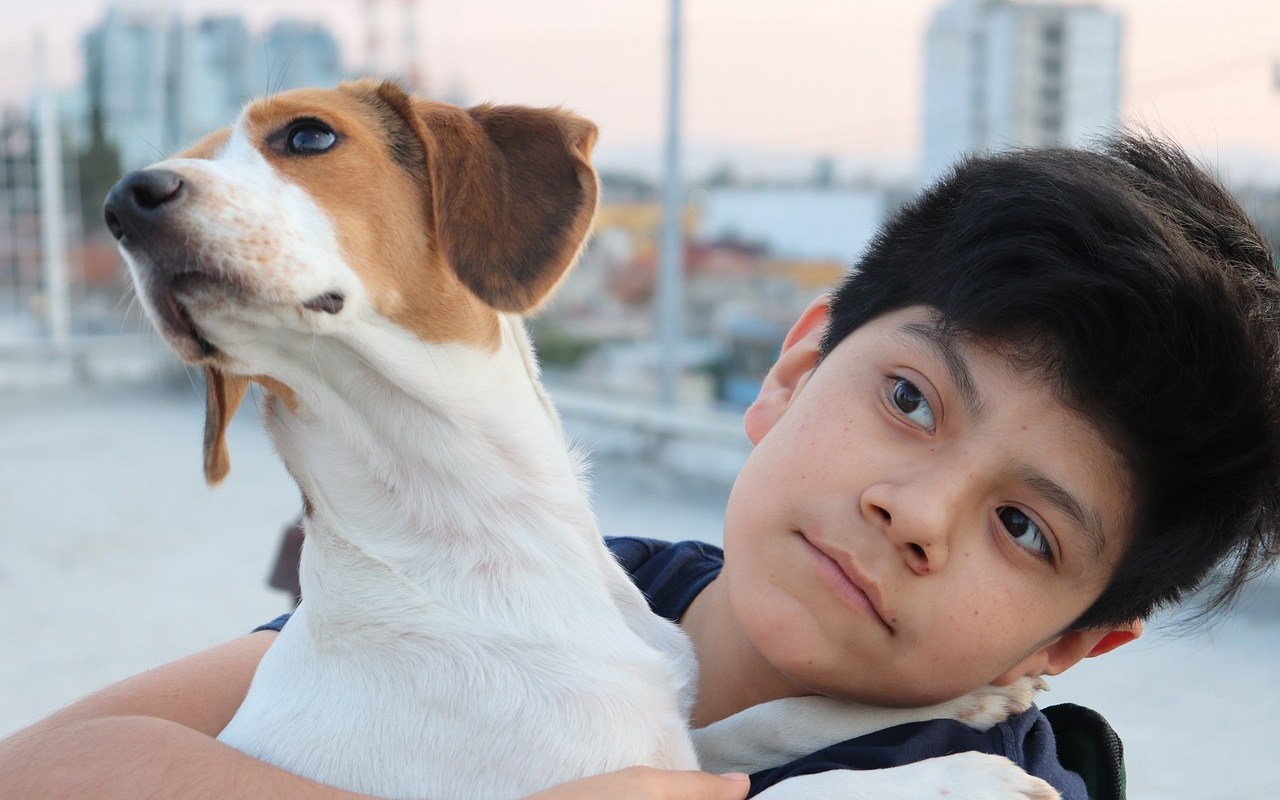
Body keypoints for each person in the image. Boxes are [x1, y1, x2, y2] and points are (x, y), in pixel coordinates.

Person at [2, 132, 1277, 800]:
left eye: (1025, 529)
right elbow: (49, 766)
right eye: (908, 397)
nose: (916, 510)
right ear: (789, 371)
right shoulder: (582, 582)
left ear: (1067, 646)